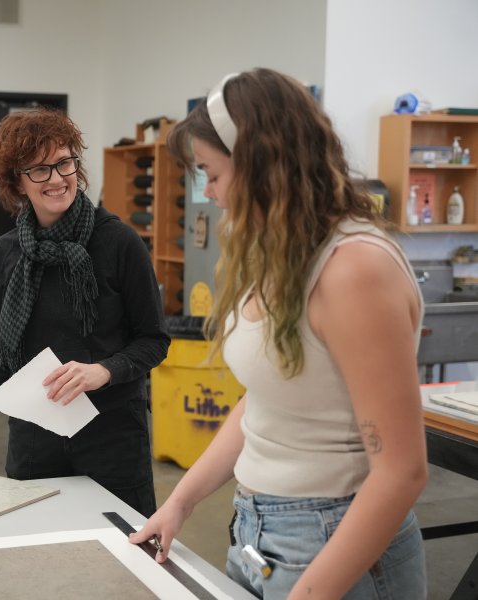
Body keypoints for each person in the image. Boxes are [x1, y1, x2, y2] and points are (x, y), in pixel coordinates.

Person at [129, 69, 427, 598]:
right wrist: (180, 501)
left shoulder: (353, 270)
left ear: (260, 164)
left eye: (213, 174)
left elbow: (400, 472)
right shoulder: (284, 254)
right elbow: (266, 401)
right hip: (259, 531)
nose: (211, 194)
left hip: (333, 538)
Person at [0, 108, 170, 517]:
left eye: (64, 162)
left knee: (123, 548)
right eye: (39, 169)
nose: (57, 178)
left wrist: (103, 371)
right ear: (17, 182)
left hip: (113, 438)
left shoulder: (119, 243)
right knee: (37, 547)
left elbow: (154, 339)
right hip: (35, 441)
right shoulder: (4, 256)